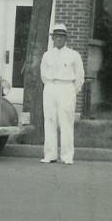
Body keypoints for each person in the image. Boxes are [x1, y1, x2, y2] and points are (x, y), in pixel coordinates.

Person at [39, 23, 84, 165]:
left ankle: (67, 156)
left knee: (66, 122)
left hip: (67, 88)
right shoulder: (47, 55)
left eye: (61, 37)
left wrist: (72, 90)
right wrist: (51, 86)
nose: (58, 39)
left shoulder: (73, 55)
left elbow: (80, 76)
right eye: (56, 36)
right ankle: (50, 155)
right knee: (50, 121)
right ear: (53, 38)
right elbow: (43, 75)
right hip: (51, 87)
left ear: (66, 39)